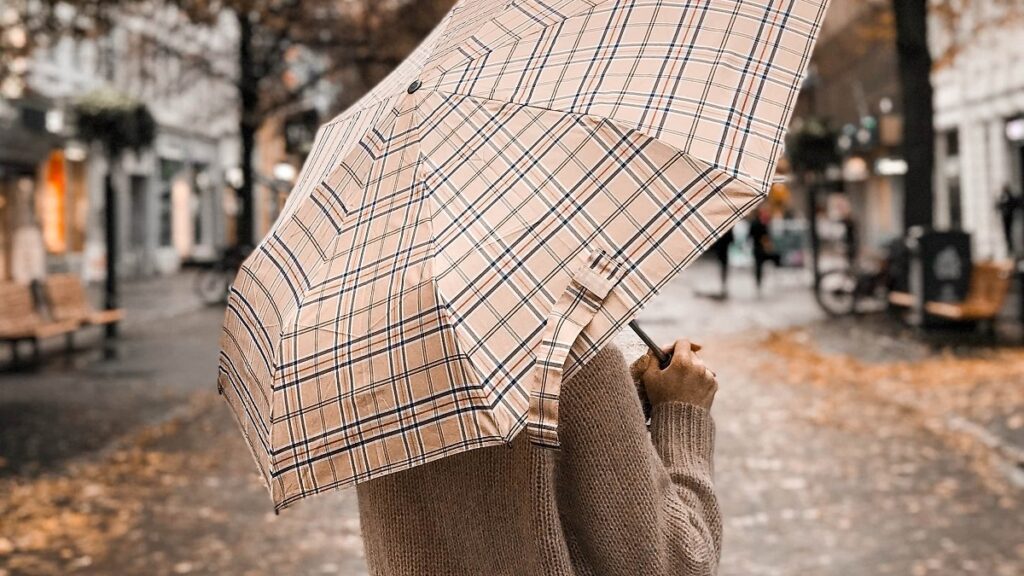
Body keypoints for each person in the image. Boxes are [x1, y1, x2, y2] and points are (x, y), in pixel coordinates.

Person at [357, 338, 722, 576]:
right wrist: (681, 412)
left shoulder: (371, 366)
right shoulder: (570, 345)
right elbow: (683, 564)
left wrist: (623, 403)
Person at [748, 206, 780, 293]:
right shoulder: (762, 224)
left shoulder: (753, 224)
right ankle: (762, 280)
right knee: (761, 265)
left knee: (758, 266)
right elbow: (766, 237)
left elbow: (749, 236)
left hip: (756, 248)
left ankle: (758, 281)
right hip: (761, 248)